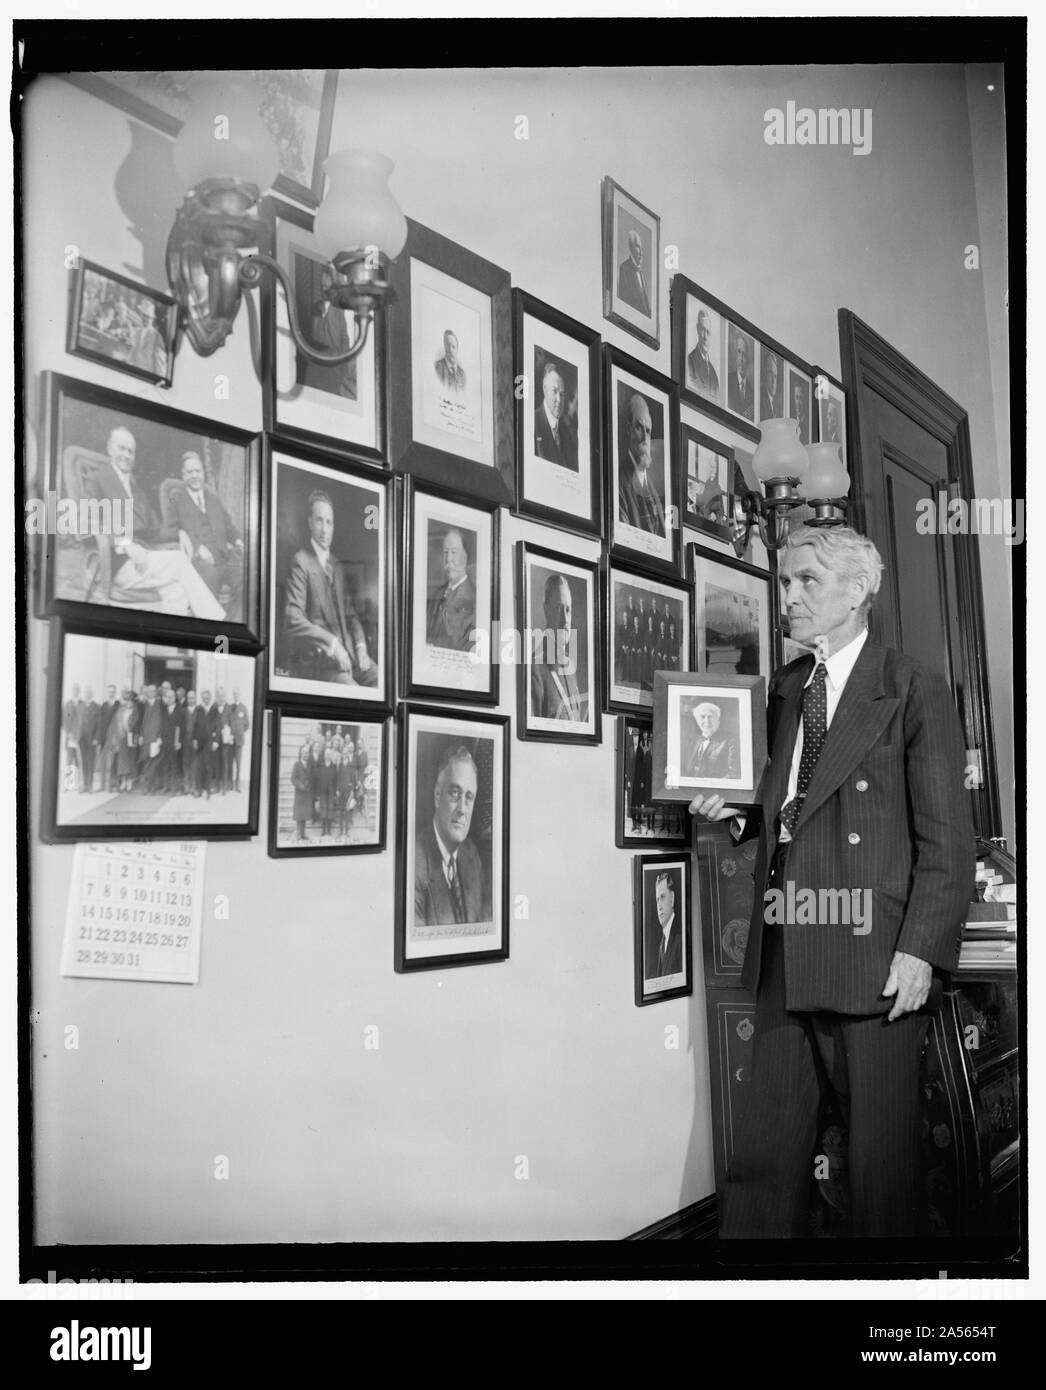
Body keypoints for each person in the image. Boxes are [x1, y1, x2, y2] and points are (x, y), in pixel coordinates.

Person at [690, 525, 975, 1239]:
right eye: (785, 582)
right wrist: (734, 813)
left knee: (882, 1180)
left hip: (874, 958)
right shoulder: (789, 687)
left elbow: (947, 840)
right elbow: (791, 806)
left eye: (806, 581)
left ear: (857, 591)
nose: (787, 597)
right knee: (762, 1165)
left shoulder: (913, 688)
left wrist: (921, 950)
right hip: (787, 943)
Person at [83, 428, 225, 619]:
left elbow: (157, 530)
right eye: (121, 448)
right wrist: (125, 545)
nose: (126, 455)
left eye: (130, 451)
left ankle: (174, 638)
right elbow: (89, 520)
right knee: (178, 561)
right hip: (120, 563)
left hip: (145, 560)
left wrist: (181, 533)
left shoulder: (135, 488)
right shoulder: (97, 479)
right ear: (109, 449)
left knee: (176, 591)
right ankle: (216, 623)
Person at [283, 489, 379, 687]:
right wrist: (332, 642)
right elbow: (293, 618)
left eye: (329, 522)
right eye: (319, 521)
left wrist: (361, 646)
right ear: (310, 522)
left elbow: (352, 617)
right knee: (354, 694)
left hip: (350, 657)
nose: (324, 529)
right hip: (321, 664)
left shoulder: (337, 565)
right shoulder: (301, 562)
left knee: (381, 680)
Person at [162, 451, 244, 619]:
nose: (194, 476)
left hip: (223, 559)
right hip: (198, 563)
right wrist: (195, 544)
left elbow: (229, 527)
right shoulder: (176, 497)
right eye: (190, 472)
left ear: (203, 473)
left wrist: (238, 541)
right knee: (210, 577)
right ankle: (210, 631)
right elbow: (169, 530)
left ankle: (229, 626)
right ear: (183, 475)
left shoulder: (213, 498)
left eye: (197, 471)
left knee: (246, 577)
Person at [414, 745, 489, 927]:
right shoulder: (415, 862)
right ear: (437, 796)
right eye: (455, 793)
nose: (462, 810)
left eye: (469, 797)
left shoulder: (471, 854)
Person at [531, 573, 585, 722]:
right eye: (559, 609)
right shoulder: (535, 667)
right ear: (546, 610)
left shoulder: (569, 666)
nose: (565, 620)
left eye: (568, 610)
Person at [300, 266, 357, 398]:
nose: (324, 289)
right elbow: (313, 337)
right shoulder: (316, 308)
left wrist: (344, 360)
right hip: (319, 363)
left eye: (327, 286)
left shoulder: (339, 309)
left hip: (336, 365)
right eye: (322, 287)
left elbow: (344, 337)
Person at [618, 393, 665, 536]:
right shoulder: (618, 482)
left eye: (649, 431)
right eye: (639, 427)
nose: (645, 438)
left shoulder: (655, 486)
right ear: (628, 428)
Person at [425, 528, 476, 652]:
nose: (448, 559)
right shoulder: (436, 594)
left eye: (454, 552)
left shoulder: (473, 597)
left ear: (465, 556)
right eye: (445, 552)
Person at [533, 361, 578, 470]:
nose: (559, 400)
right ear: (545, 389)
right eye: (555, 391)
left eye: (562, 394)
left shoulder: (567, 433)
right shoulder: (532, 422)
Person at [683, 701, 739, 779]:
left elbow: (733, 773)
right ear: (697, 721)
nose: (707, 721)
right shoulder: (693, 741)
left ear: (718, 720)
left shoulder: (731, 740)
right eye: (702, 717)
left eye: (710, 716)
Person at [646, 871, 682, 979]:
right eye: (657, 900)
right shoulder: (662, 944)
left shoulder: (681, 936)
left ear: (672, 898)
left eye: (662, 897)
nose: (659, 906)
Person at [128, 297, 168, 378]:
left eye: (148, 317)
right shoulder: (137, 332)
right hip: (135, 374)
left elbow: (160, 361)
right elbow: (132, 353)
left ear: (152, 319)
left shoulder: (156, 336)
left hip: (148, 377)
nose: (145, 319)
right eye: (144, 315)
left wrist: (159, 380)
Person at [686, 307, 720, 400]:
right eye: (702, 330)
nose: (705, 337)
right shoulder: (689, 361)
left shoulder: (714, 374)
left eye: (708, 332)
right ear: (697, 329)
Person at [136, 685, 164, 794]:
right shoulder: (143, 705)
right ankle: (145, 787)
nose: (151, 693)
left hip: (156, 738)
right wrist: (140, 735)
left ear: (156, 692)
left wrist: (160, 737)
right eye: (149, 691)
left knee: (154, 764)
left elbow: (163, 722)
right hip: (146, 738)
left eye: (153, 691)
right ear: (146, 693)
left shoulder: (160, 704)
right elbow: (140, 721)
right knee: (146, 763)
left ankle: (152, 787)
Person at [617, 227, 651, 316]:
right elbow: (624, 301)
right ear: (631, 247)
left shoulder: (641, 273)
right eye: (638, 247)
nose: (641, 252)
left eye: (641, 247)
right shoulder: (624, 268)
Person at [78, 686, 101, 793]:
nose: (87, 695)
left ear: (92, 694)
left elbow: (99, 725)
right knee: (83, 763)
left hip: (92, 740)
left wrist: (96, 738)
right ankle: (85, 785)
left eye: (89, 693)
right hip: (81, 740)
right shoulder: (80, 706)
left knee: (90, 762)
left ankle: (90, 786)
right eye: (86, 693)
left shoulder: (97, 707)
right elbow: (76, 722)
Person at [727, 331, 754, 420]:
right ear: (735, 354)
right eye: (739, 352)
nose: (741, 358)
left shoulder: (752, 392)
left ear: (748, 360)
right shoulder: (727, 381)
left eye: (745, 355)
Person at [291, 741, 314, 842]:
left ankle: (303, 833)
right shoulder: (297, 764)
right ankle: (298, 834)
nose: (306, 755)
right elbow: (293, 778)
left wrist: (309, 783)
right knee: (299, 815)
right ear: (301, 754)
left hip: (307, 794)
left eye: (307, 753)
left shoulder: (309, 765)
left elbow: (311, 777)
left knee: (304, 815)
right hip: (300, 794)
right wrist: (300, 785)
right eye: (304, 753)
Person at [229, 690, 250, 794]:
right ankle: (230, 785)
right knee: (230, 763)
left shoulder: (243, 708)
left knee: (238, 764)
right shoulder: (230, 707)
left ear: (239, 695)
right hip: (230, 740)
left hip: (239, 741)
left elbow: (247, 724)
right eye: (234, 694)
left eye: (237, 694)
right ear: (233, 696)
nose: (236, 696)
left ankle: (237, 785)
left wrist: (240, 732)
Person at [434, 329, 466, 394]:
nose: (450, 350)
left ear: (457, 348)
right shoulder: (437, 368)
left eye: (453, 346)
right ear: (444, 346)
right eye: (447, 345)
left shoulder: (462, 374)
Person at [760, 349, 783, 421]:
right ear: (765, 374)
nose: (773, 381)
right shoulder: (761, 398)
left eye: (775, 376)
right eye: (770, 373)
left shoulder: (773, 404)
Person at [790, 378, 809, 445]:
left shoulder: (809, 424)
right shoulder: (790, 421)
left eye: (801, 398)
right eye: (796, 397)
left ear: (805, 400)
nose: (798, 402)